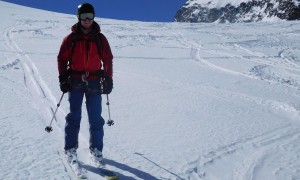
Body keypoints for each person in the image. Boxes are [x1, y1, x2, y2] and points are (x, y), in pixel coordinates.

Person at [57, 3, 113, 165]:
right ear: (78, 17)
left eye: (90, 16)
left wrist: (108, 78)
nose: (87, 20)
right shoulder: (71, 38)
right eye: (83, 16)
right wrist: (62, 78)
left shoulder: (100, 39)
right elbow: (61, 58)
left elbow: (108, 59)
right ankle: (70, 149)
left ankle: (96, 149)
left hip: (94, 82)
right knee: (74, 116)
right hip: (75, 81)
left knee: (95, 118)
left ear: (94, 17)